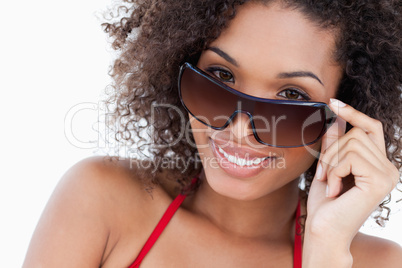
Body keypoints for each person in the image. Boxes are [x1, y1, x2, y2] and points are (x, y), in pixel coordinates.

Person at [23, 0, 402, 267]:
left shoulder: (375, 263)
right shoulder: (101, 199)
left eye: (290, 97)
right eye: (220, 77)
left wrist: (327, 252)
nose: (238, 130)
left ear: (346, 116)